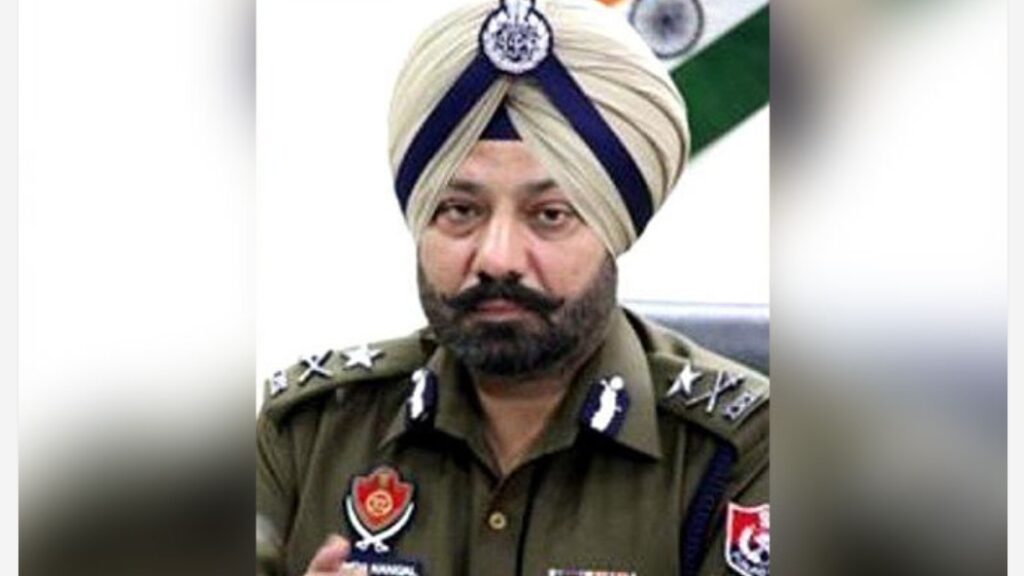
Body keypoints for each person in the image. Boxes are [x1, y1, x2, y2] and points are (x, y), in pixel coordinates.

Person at [256, 1, 769, 575]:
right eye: (460, 211)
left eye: (549, 215)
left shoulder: (746, 448)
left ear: (614, 229)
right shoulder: (309, 433)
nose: (497, 257)